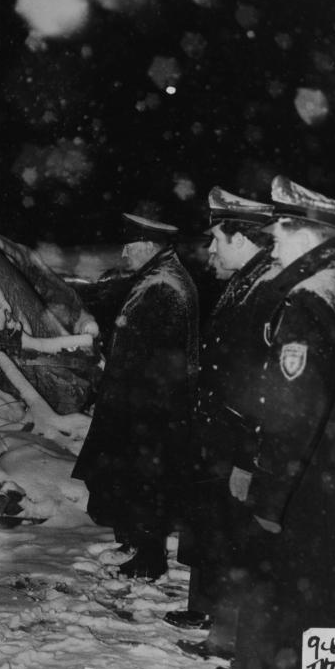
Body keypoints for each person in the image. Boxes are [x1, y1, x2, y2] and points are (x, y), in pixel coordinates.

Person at [227, 177, 335, 669]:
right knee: (323, 605)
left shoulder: (306, 302)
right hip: (323, 480)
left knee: (296, 600)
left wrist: (267, 496)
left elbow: (294, 412)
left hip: (306, 490)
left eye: (282, 231)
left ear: (309, 234)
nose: (274, 240)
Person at [167, 188, 277, 660]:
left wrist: (247, 455)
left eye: (217, 238)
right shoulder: (247, 281)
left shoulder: (269, 288)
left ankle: (230, 639)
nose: (210, 249)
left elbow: (263, 384)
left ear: (242, 238)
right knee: (218, 533)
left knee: (236, 541)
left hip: (238, 440)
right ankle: (220, 627)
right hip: (222, 437)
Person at [72, 212, 199, 580]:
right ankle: (138, 545)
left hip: (148, 409)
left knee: (145, 483)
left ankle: (148, 559)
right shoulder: (160, 278)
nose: (124, 253)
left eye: (129, 246)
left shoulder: (162, 285)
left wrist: (138, 407)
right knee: (136, 482)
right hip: (144, 404)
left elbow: (159, 358)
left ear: (148, 246)